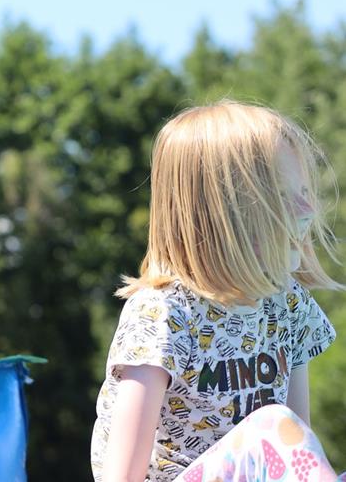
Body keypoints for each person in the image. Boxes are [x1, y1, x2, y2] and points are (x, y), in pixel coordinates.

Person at [91, 101, 342, 482]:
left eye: (305, 190)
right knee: (274, 424)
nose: (307, 209)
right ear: (217, 214)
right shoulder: (165, 314)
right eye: (280, 195)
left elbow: (299, 449)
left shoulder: (287, 305)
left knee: (282, 427)